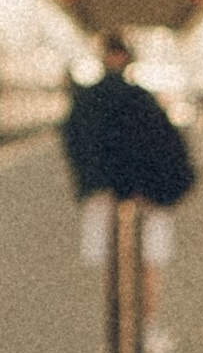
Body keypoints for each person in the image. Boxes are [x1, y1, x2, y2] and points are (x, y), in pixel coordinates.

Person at [62, 28, 194, 316]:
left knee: (112, 266)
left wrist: (91, 184)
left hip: (101, 195)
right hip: (146, 195)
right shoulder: (143, 99)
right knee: (150, 264)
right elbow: (167, 146)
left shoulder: (85, 100)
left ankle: (117, 327)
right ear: (128, 60)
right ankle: (146, 330)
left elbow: (73, 144)